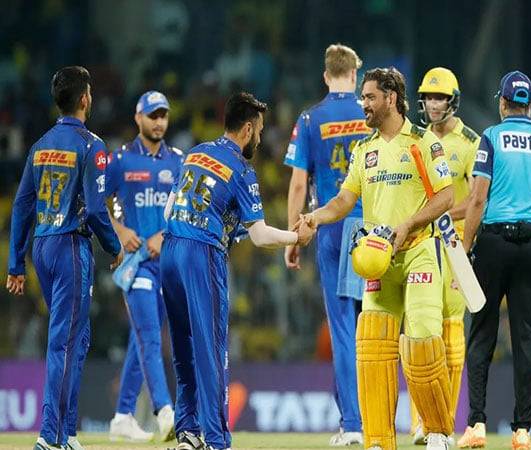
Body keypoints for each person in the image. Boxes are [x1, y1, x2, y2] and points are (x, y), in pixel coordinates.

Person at [301, 67, 455, 450]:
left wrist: (407, 225)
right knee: (370, 349)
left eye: (369, 97)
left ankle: (438, 430)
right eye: (362, 97)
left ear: (390, 98)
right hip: (378, 260)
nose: (363, 104)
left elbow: (446, 197)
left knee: (421, 343)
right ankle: (379, 439)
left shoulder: (423, 143)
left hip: (418, 252)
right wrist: (315, 217)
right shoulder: (364, 150)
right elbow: (344, 200)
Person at [161, 92, 312, 450]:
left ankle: (188, 432)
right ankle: (216, 439)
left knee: (184, 347)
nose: (259, 138)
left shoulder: (196, 153)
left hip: (170, 250)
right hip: (201, 254)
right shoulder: (241, 170)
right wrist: (297, 236)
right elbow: (260, 236)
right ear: (247, 129)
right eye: (258, 130)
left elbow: (170, 209)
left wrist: (226, 228)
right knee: (212, 348)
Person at [6, 66, 123, 450]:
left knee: (77, 338)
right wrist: (115, 245)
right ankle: (49, 435)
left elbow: (22, 205)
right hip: (72, 246)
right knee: (64, 342)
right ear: (86, 99)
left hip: (42, 245)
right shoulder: (91, 146)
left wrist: (15, 264)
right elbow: (93, 210)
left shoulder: (40, 145)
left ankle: (67, 432)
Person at [458, 71, 531, 450]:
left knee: (482, 332)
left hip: (494, 242)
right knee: (528, 337)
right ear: (530, 105)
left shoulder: (492, 137)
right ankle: (522, 431)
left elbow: (477, 199)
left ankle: (477, 425)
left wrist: (466, 250)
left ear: (503, 103)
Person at [283, 43, 370, 447]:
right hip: (372, 229)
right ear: (354, 75)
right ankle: (379, 420)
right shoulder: (371, 115)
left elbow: (299, 182)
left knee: (342, 331)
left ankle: (351, 424)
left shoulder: (310, 118)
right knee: (375, 327)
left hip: (331, 227)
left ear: (325, 75)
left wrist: (293, 233)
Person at [409, 67, 480, 445]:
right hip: (420, 244)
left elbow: (473, 201)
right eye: (428, 97)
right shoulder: (415, 139)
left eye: (440, 98)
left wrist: (437, 212)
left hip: (452, 246)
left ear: (452, 101)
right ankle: (421, 419)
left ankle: (443, 421)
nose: (433, 104)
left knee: (451, 335)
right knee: (421, 333)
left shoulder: (470, 142)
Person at [105, 91, 181, 442]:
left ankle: (122, 415)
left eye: (163, 115)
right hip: (137, 266)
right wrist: (119, 231)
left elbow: (183, 211)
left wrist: (163, 236)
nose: (159, 122)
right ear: (138, 118)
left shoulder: (177, 162)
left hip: (168, 266)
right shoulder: (120, 160)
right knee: (149, 337)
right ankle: (165, 412)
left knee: (143, 340)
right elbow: (97, 201)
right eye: (153, 115)